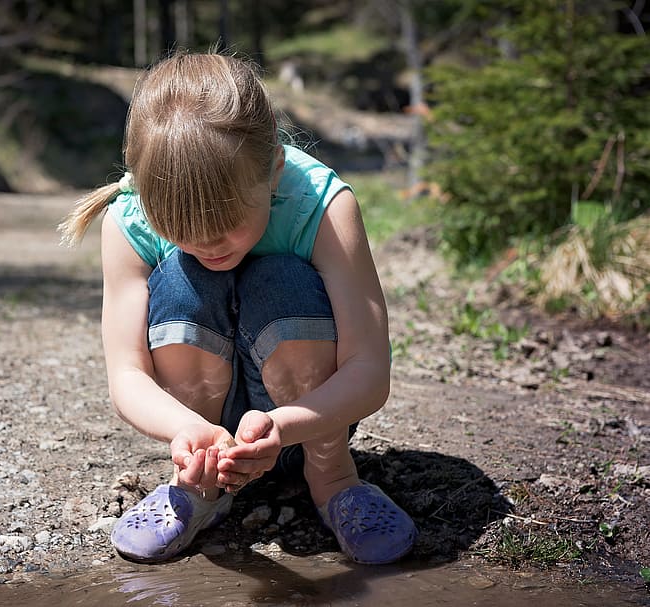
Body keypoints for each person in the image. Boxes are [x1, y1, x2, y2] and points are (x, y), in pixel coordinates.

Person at [58, 51, 416, 565]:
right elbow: (127, 374)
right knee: (182, 277)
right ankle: (201, 485)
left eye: (225, 220)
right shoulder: (128, 220)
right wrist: (187, 432)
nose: (207, 241)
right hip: (202, 429)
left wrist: (286, 427)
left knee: (281, 279)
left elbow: (369, 370)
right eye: (177, 227)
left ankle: (333, 476)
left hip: (308, 423)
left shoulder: (322, 205)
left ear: (273, 168)